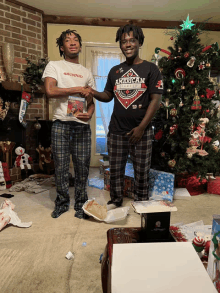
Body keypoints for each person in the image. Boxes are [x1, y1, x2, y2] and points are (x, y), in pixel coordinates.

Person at [86, 24, 163, 210]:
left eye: (132, 40)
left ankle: (141, 202)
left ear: (139, 42)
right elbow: (107, 96)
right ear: (120, 45)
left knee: (142, 172)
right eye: (124, 41)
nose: (128, 44)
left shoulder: (151, 69)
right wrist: (92, 91)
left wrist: (142, 128)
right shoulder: (115, 71)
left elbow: (156, 100)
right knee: (115, 170)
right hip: (116, 131)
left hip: (141, 132)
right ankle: (116, 200)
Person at [42, 29, 95, 219]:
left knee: (82, 167)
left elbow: (91, 101)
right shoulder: (54, 65)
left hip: (81, 126)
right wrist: (76, 89)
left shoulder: (86, 72)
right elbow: (50, 91)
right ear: (62, 47)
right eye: (67, 40)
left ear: (79, 46)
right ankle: (62, 203)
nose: (72, 42)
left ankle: (81, 204)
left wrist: (89, 113)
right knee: (62, 167)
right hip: (61, 124)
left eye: (76, 40)